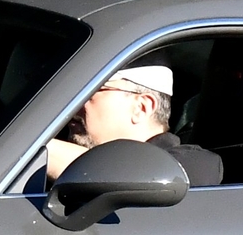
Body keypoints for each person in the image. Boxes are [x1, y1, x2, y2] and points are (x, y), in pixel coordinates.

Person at [42, 65, 222, 186]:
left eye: (89, 91)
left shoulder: (192, 167)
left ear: (141, 107)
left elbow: (124, 173)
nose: (73, 106)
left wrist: (26, 147)